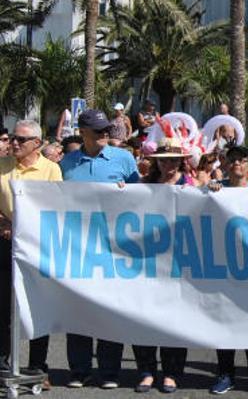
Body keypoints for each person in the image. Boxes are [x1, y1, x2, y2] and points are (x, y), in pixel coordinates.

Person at [59, 109, 139, 389]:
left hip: (113, 249)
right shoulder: (67, 163)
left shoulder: (125, 159)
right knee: (78, 310)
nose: (106, 134)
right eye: (99, 130)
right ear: (83, 133)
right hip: (78, 249)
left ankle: (109, 372)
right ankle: (79, 370)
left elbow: (142, 201)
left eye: (107, 129)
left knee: (110, 310)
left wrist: (126, 193)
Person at [0, 120, 61, 390]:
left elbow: (55, 208)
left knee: (37, 307)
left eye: (21, 140)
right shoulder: (2, 166)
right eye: (12, 138)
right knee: (3, 308)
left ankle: (38, 366)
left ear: (37, 143)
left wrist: (26, 229)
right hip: (4, 244)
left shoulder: (51, 170)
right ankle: (2, 364)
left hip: (37, 246)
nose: (14, 143)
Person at [206, 146, 248, 395]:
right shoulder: (216, 189)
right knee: (225, 324)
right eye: (232, 160)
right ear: (225, 163)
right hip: (223, 267)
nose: (237, 165)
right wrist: (208, 190)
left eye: (242, 160)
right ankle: (226, 374)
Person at [132, 139, 191, 393]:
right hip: (148, 262)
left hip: (180, 264)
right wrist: (122, 190)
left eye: (173, 159)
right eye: (164, 159)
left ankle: (171, 372)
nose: (169, 164)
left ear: (181, 161)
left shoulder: (190, 185)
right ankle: (146, 370)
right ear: (156, 160)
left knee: (175, 319)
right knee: (144, 317)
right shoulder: (144, 185)